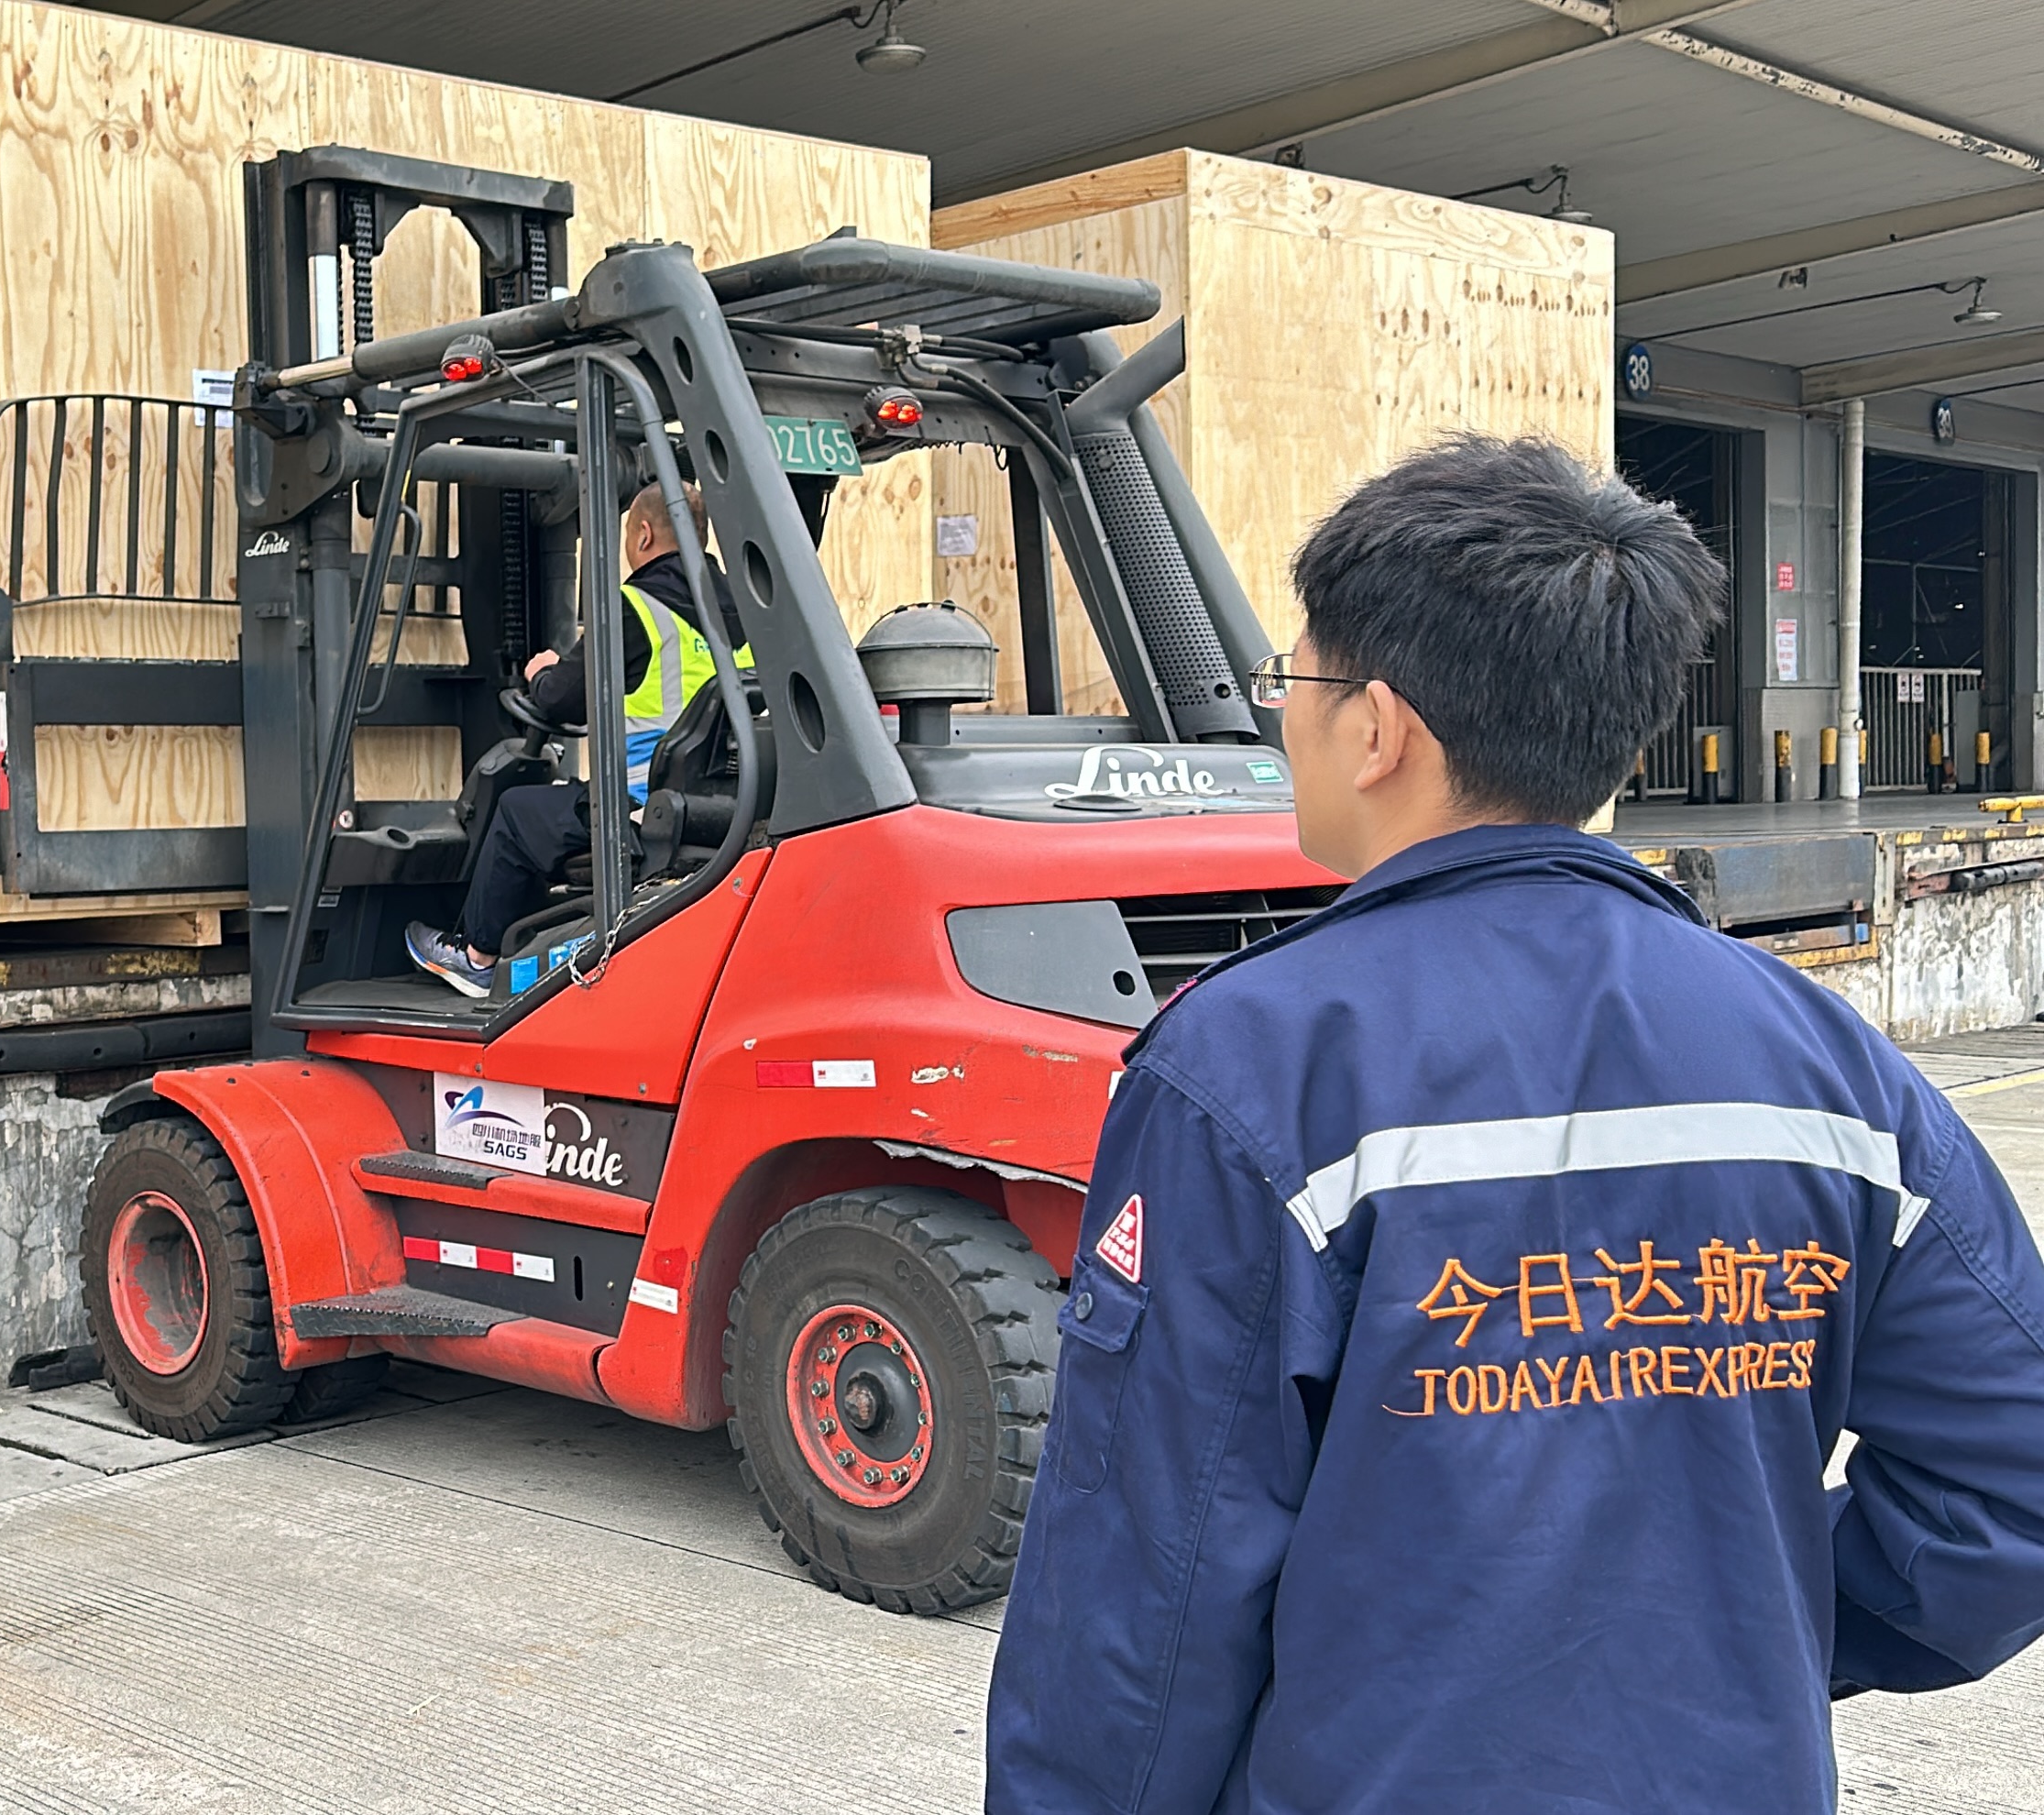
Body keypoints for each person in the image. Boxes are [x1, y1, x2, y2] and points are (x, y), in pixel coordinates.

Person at [984, 435, 2044, 1813]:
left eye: (1292, 683)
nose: (1281, 719)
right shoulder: (1829, 1063)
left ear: (1380, 729)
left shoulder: (1252, 1066)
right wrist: (1735, 1636)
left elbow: (1146, 1595)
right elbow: (2016, 1482)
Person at [404, 479, 748, 996]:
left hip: (642, 811)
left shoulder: (637, 608)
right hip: (728, 812)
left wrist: (543, 672)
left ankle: (477, 956)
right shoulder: (746, 611)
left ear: (645, 535)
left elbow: (560, 698)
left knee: (520, 812)